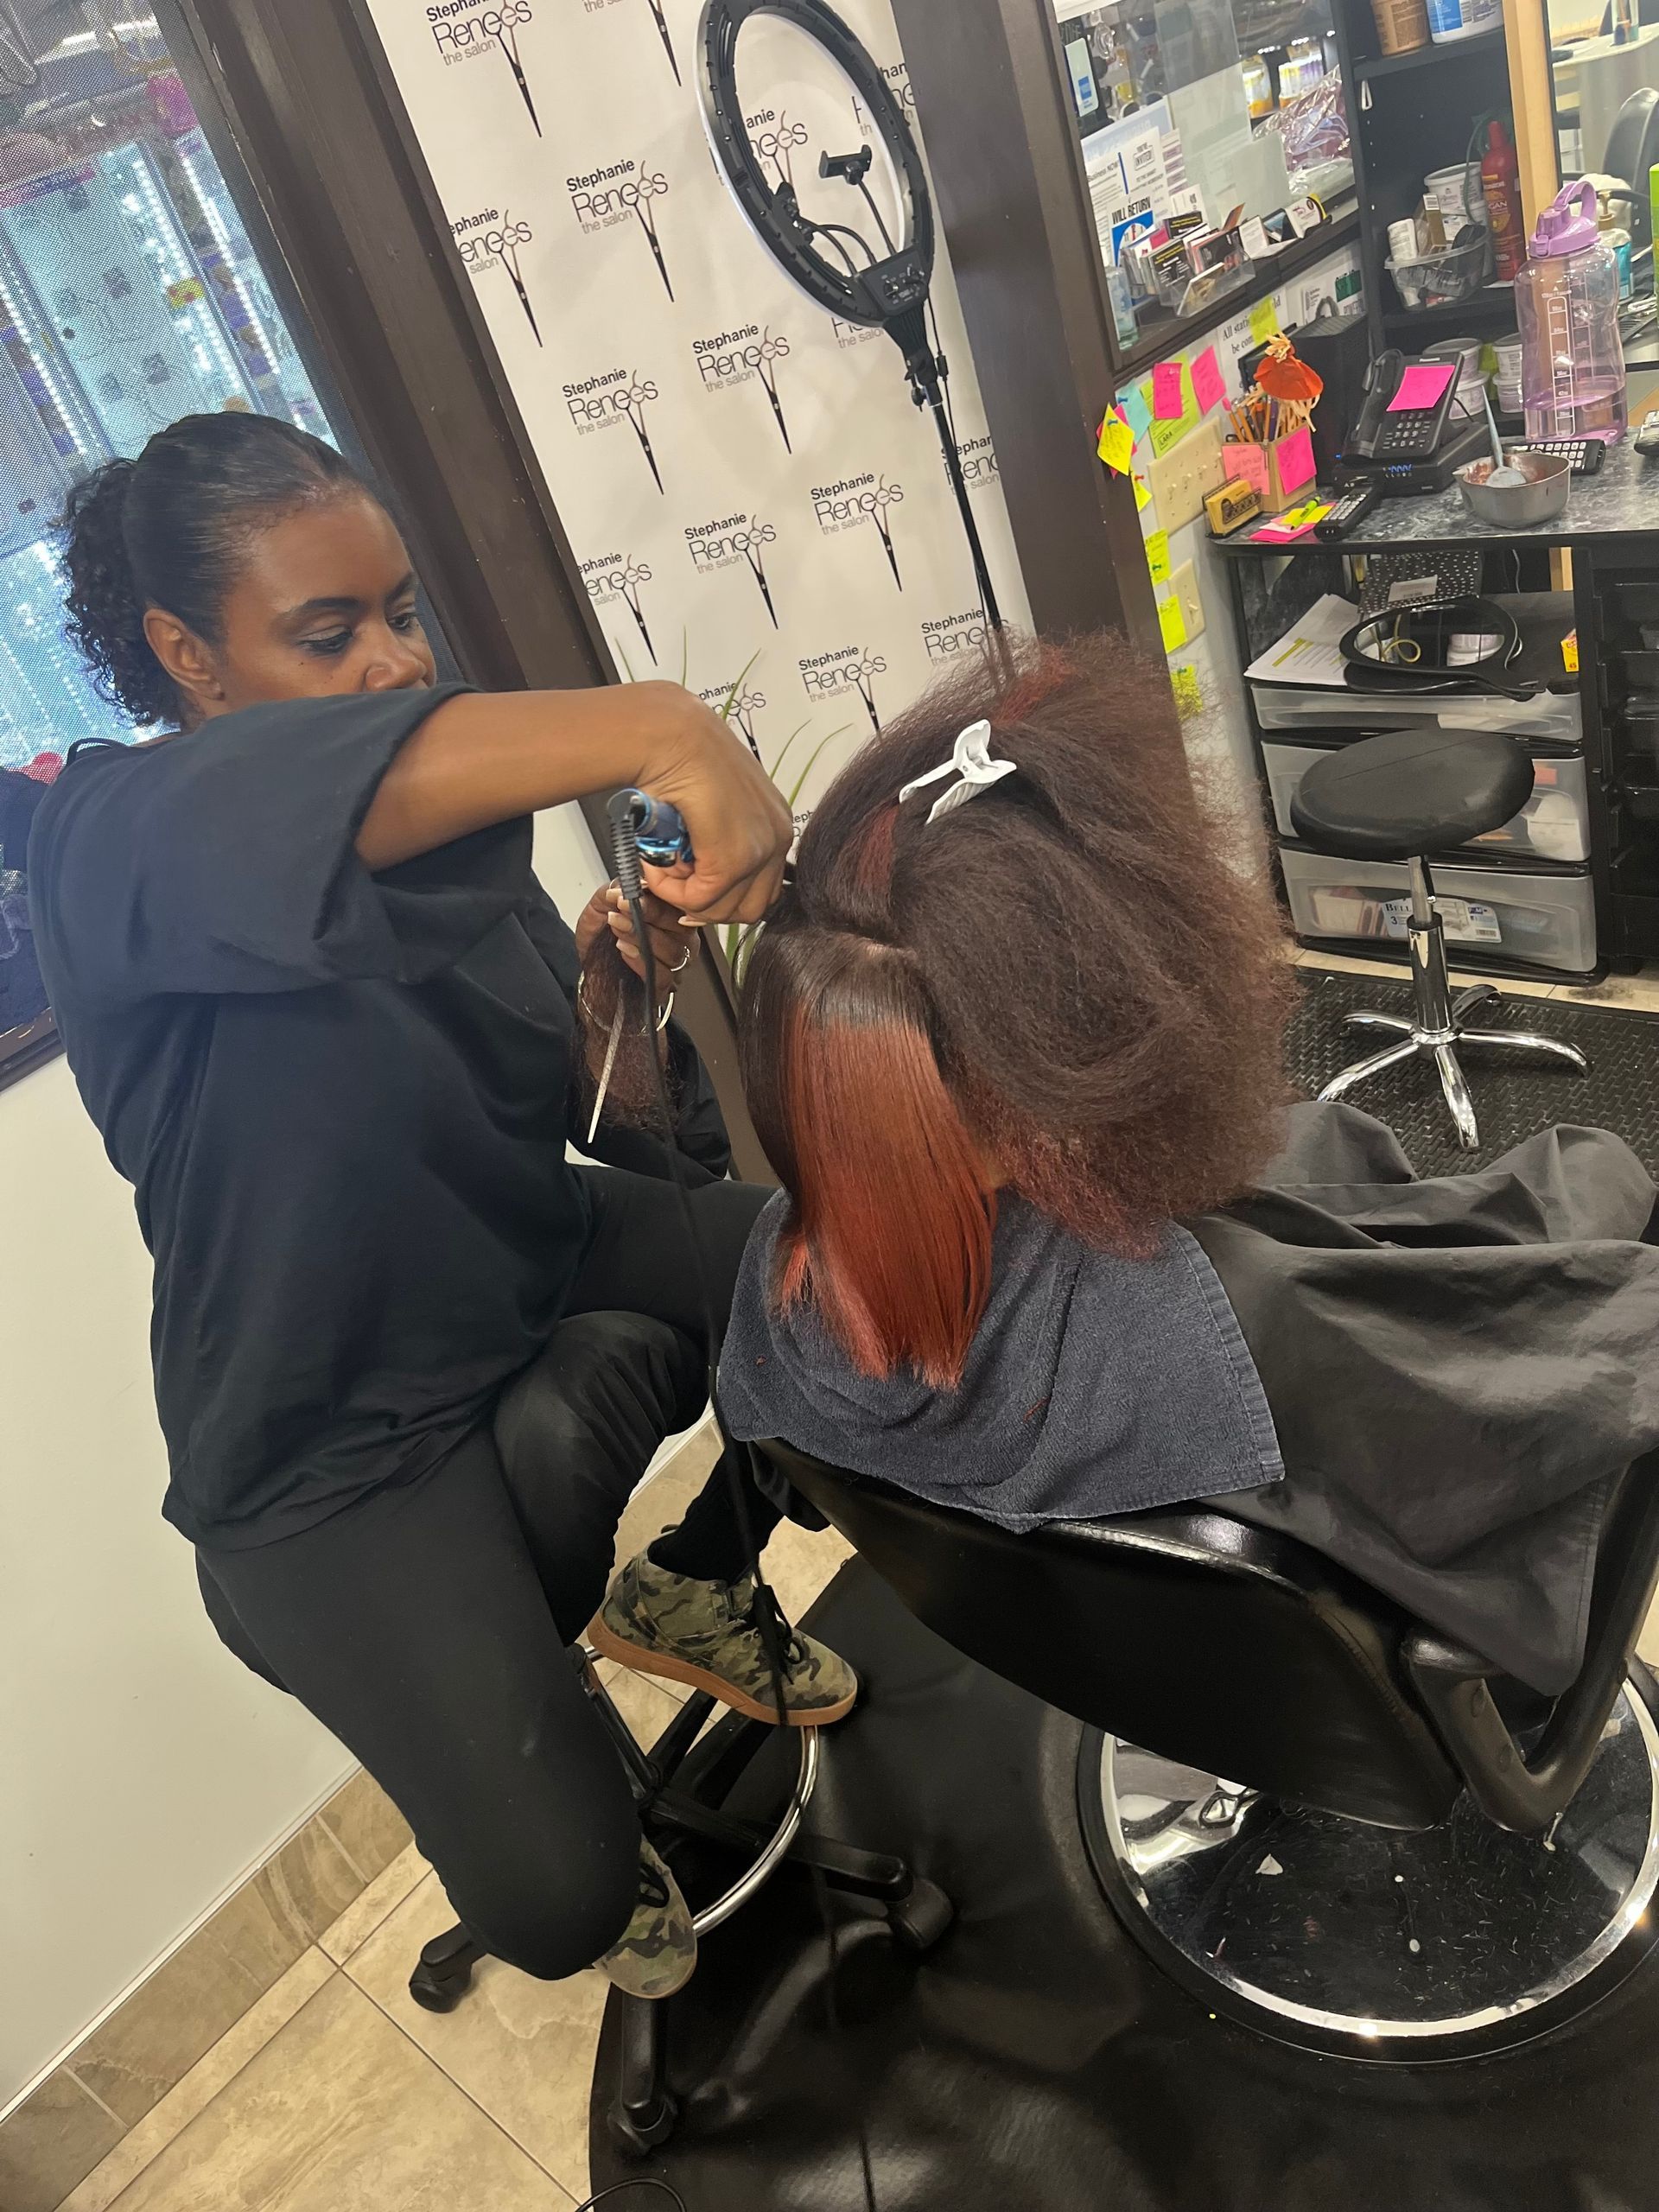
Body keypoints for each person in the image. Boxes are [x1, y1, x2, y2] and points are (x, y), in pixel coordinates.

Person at [29, 410, 855, 2004]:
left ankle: (692, 1577)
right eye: (325, 633)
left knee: (842, 1271)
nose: (393, 661)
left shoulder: (448, 861)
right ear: (185, 656)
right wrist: (667, 720)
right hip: (324, 1440)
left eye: (402, 612)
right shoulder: (111, 842)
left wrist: (626, 994)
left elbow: (606, 1125)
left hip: (522, 1266)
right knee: (557, 1901)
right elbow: (313, 797)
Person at [719, 637, 1659, 1701]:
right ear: (1032, 1067)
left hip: (1104, 1641)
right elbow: (1522, 1411)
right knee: (1582, 1180)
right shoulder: (1215, 1322)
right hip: (1330, 1636)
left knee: (1321, 1150)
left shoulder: (776, 1288)